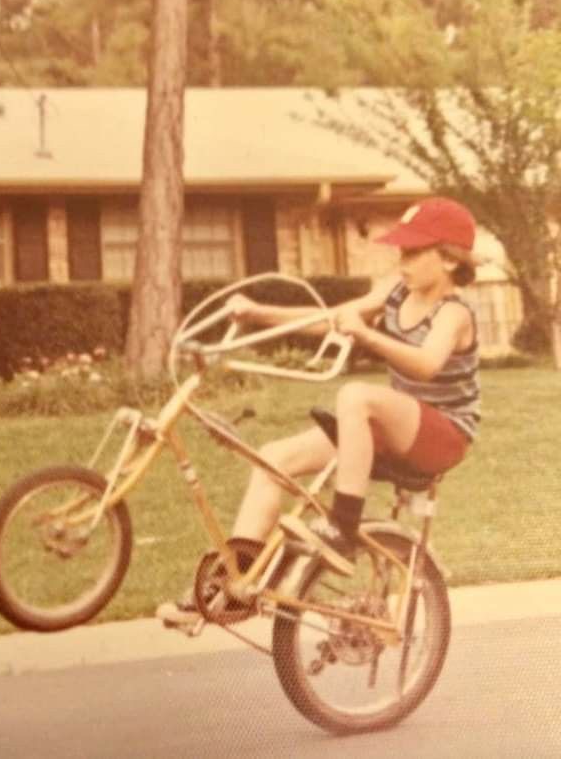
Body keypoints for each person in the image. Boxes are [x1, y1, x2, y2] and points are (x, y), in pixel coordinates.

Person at [157, 196, 481, 628]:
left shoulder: (454, 312)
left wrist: (365, 334)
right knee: (274, 458)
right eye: (401, 250)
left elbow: (426, 364)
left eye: (413, 251)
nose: (401, 259)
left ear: (449, 259)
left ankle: (341, 528)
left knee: (356, 396)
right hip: (396, 422)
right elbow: (329, 319)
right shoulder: (395, 291)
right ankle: (234, 586)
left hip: (442, 435)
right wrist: (258, 313)